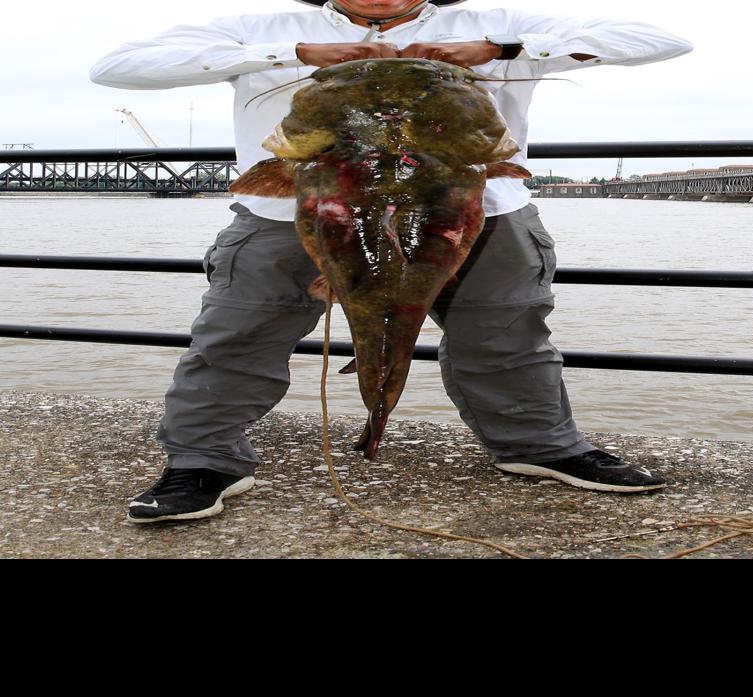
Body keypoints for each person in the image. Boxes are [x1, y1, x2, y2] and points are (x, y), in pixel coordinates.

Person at [90, 0, 693, 523]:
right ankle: (201, 461)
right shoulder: (264, 27)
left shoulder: (496, 22)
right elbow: (117, 67)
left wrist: (502, 48)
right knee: (236, 336)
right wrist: (291, 53)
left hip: (477, 212)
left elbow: (661, 41)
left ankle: (540, 445)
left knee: (507, 337)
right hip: (295, 214)